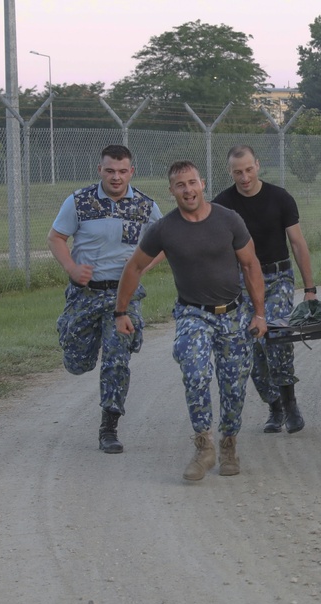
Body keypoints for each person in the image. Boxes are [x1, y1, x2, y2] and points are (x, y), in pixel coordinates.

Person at [115, 161, 268, 481]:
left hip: (233, 314)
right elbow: (134, 267)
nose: (187, 190)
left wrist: (259, 313)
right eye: (180, 185)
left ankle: (228, 444)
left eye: (192, 183)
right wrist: (121, 311)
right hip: (192, 313)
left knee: (234, 386)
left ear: (202, 184)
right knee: (194, 369)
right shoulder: (164, 229)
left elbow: (251, 266)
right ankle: (203, 445)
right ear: (171, 191)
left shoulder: (228, 220)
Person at [47, 144, 162, 454]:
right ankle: (69, 332)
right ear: (100, 170)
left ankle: (109, 426)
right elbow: (56, 237)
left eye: (122, 171)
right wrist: (72, 268)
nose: (116, 177)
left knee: (116, 360)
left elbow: (163, 241)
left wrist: (142, 268)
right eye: (110, 170)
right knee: (78, 362)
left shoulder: (145, 205)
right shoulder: (79, 201)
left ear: (131, 172)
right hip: (86, 293)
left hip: (123, 298)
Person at [212, 145, 316, 435]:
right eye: (237, 172)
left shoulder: (280, 198)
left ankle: (290, 402)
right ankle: (274, 406)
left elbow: (297, 243)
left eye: (248, 169)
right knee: (254, 345)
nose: (244, 177)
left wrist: (310, 288)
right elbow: (217, 249)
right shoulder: (222, 204)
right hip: (243, 282)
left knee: (277, 335)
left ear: (257, 165)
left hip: (278, 276)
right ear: (230, 172)